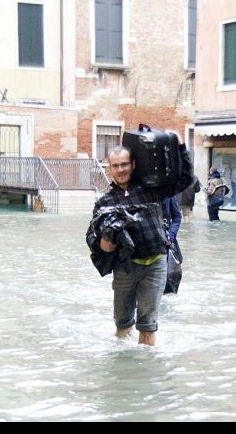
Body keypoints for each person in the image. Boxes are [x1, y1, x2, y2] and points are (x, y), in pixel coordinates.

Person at [85, 136, 193, 346]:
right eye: (115, 166)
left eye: (124, 164)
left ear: (133, 164)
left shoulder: (152, 189)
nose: (121, 169)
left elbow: (185, 180)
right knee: (123, 324)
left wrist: (180, 146)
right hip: (125, 268)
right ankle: (125, 370)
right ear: (110, 169)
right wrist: (102, 245)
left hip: (156, 264)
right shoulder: (104, 202)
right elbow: (91, 236)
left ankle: (146, 371)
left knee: (148, 325)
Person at [161, 196, 183, 294]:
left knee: (169, 286)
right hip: (145, 248)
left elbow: (177, 216)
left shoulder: (168, 194)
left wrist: (170, 235)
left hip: (167, 244)